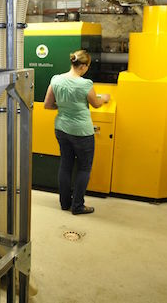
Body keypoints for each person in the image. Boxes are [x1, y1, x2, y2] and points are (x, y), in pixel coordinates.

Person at [43, 50, 110, 215]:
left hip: (61, 129)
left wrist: (65, 106)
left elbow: (47, 104)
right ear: (84, 66)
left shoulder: (56, 79)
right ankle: (78, 206)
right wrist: (105, 98)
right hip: (81, 132)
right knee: (84, 168)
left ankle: (65, 203)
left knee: (65, 164)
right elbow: (96, 104)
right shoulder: (85, 84)